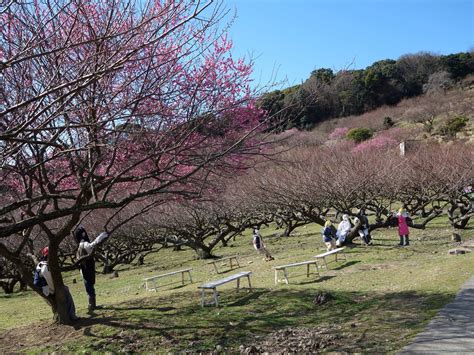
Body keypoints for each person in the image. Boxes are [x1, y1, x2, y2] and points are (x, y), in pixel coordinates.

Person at [33, 247, 77, 320]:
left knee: (64, 289)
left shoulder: (42, 264)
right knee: (65, 289)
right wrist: (55, 290)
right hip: (46, 289)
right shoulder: (45, 268)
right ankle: (72, 315)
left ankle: (66, 315)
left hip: (44, 288)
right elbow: (50, 282)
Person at [74, 226, 109, 312]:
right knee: (89, 286)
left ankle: (92, 305)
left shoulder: (80, 245)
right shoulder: (84, 244)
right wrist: (102, 236)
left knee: (89, 286)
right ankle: (92, 305)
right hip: (87, 268)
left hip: (85, 268)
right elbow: (92, 246)